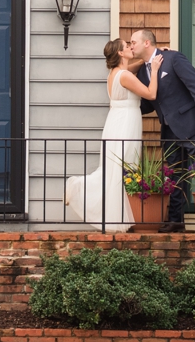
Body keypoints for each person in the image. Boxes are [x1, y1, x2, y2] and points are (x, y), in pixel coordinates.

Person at [64, 38, 161, 229]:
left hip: (116, 121)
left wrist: (147, 59)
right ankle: (77, 187)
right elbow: (151, 94)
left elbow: (132, 68)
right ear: (120, 53)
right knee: (122, 167)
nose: (131, 48)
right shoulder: (125, 76)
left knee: (115, 169)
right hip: (125, 123)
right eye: (127, 47)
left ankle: (118, 216)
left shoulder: (114, 73)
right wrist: (155, 69)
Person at [127, 28, 195, 233]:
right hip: (168, 129)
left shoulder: (173, 58)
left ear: (147, 43)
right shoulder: (141, 71)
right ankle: (176, 220)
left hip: (192, 124)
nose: (131, 46)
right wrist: (129, 108)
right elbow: (149, 103)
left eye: (133, 42)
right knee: (175, 175)